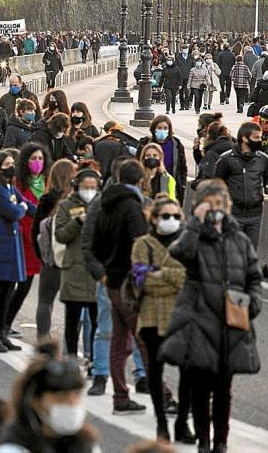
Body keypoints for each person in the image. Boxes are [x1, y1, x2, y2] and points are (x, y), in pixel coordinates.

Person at [161, 180, 262, 453]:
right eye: (211, 205)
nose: (216, 210)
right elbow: (179, 254)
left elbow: (253, 276)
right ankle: (204, 443)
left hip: (231, 323)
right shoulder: (192, 237)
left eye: (220, 205)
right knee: (201, 389)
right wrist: (196, 222)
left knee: (223, 391)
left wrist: (252, 303)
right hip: (200, 321)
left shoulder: (239, 240)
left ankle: (221, 443)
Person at [89, 160, 149, 414]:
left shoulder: (104, 204)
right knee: (145, 339)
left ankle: (120, 396)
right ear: (140, 180)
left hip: (111, 279)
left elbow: (93, 243)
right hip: (128, 282)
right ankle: (162, 393)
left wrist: (102, 271)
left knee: (117, 339)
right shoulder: (133, 207)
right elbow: (141, 246)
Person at [132, 197, 194, 443]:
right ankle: (161, 422)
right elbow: (142, 281)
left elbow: (188, 278)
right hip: (151, 315)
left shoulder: (187, 243)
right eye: (166, 216)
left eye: (177, 216)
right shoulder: (142, 245)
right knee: (155, 371)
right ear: (154, 218)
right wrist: (172, 277)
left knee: (188, 371)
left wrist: (161, 273)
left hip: (182, 316)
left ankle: (182, 423)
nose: (172, 221)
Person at [0, 341, 98, 453]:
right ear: (35, 401)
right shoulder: (10, 449)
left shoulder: (86, 444)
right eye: (61, 398)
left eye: (76, 395)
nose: (72, 404)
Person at [0, 150, 36, 352]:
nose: (11, 167)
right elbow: (13, 213)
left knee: (7, 292)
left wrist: (40, 211)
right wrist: (22, 208)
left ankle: (2, 334)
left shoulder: (10, 187)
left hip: (11, 245)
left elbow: (28, 205)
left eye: (13, 163)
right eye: (7, 164)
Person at [54, 168, 100, 359]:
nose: (89, 190)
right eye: (85, 187)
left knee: (96, 321)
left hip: (95, 269)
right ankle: (71, 356)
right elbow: (61, 235)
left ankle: (93, 358)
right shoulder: (66, 205)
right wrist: (77, 222)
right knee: (72, 319)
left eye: (93, 187)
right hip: (73, 269)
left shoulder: (102, 206)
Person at [8, 142, 49, 336]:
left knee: (26, 285)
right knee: (15, 284)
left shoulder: (46, 182)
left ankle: (6, 322)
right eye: (33, 158)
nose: (37, 162)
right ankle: (3, 323)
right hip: (20, 239)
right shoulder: (18, 183)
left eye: (40, 158)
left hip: (38, 241)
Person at [32, 159, 76, 338]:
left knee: (45, 301)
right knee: (73, 304)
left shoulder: (46, 198)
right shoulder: (75, 200)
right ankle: (69, 341)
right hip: (71, 258)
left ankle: (43, 338)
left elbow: (36, 229)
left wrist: (40, 254)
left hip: (50, 257)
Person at [214, 121, 268, 249]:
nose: (259, 140)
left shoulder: (263, 159)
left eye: (260, 137)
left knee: (251, 254)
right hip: (233, 214)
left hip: (255, 214)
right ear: (244, 138)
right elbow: (216, 185)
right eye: (256, 137)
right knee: (233, 253)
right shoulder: (226, 159)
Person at [136, 115, 187, 203]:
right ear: (154, 129)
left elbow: (182, 167)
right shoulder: (144, 144)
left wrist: (182, 185)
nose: (162, 130)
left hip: (170, 185)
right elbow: (137, 163)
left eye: (165, 128)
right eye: (159, 128)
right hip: (148, 184)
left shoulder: (176, 145)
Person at [176, 45, 195, 110]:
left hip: (188, 77)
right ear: (181, 50)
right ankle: (182, 106)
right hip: (180, 77)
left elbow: (193, 66)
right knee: (181, 92)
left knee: (187, 91)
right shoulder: (178, 57)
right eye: (184, 49)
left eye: (186, 49)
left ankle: (186, 105)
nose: (185, 51)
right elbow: (176, 66)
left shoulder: (191, 57)